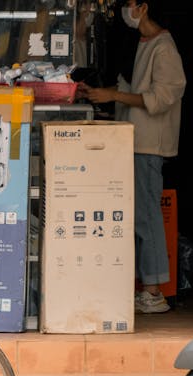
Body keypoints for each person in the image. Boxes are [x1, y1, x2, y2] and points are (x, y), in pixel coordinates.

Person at [78, 0, 186, 314]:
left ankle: (153, 293)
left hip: (149, 144)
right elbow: (131, 88)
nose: (125, 11)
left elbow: (163, 96)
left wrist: (113, 95)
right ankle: (147, 286)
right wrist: (100, 93)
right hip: (134, 140)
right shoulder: (143, 43)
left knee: (147, 217)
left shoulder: (164, 48)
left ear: (143, 7)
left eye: (128, 4)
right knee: (140, 216)